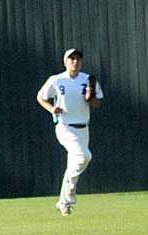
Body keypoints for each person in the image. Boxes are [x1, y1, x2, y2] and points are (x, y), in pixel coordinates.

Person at [37, 48, 103, 216]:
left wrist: (92, 97)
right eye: (71, 59)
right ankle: (67, 199)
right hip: (65, 126)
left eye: (78, 59)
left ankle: (64, 203)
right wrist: (52, 108)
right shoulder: (57, 80)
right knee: (84, 156)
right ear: (65, 61)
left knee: (73, 166)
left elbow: (96, 104)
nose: (75, 62)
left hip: (83, 128)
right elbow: (41, 96)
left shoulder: (87, 79)